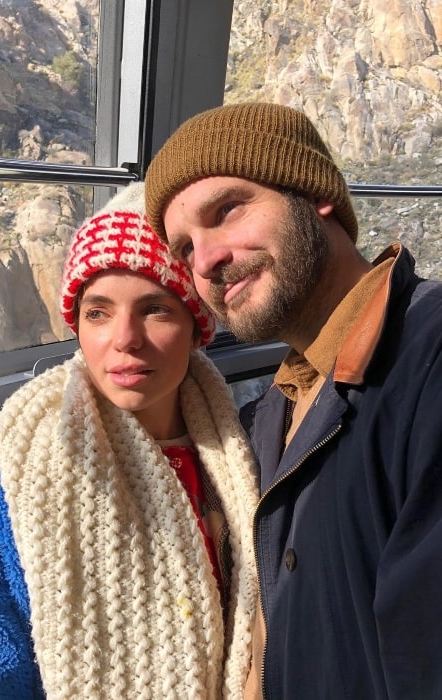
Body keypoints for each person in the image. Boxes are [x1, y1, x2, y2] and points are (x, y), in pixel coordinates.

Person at [144, 102, 442, 699]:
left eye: (227, 211)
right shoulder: (273, 409)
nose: (206, 261)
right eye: (183, 249)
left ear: (315, 194)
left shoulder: (427, 358)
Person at [0, 182, 260, 699]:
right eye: (98, 312)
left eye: (156, 308)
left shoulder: (248, 452)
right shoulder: (1, 473)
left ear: (197, 326)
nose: (124, 338)